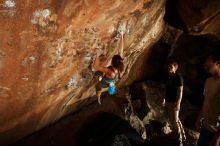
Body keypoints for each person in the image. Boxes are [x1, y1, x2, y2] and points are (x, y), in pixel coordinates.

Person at [196, 49, 220, 146]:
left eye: (208, 61)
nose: (205, 64)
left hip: (216, 132)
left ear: (218, 63)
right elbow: (206, 101)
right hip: (205, 128)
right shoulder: (208, 81)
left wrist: (217, 138)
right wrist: (199, 118)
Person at [92, 32, 125, 105]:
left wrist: (97, 54)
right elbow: (121, 50)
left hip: (104, 81)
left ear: (112, 63)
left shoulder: (110, 72)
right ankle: (100, 97)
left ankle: (98, 99)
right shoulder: (120, 65)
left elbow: (96, 67)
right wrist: (122, 35)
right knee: (103, 82)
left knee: (98, 86)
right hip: (109, 80)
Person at [162, 60, 186, 146]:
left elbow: (180, 91)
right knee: (175, 118)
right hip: (168, 101)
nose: (169, 68)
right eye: (169, 66)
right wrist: (164, 99)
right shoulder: (169, 78)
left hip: (174, 102)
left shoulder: (178, 77)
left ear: (175, 68)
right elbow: (166, 90)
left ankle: (179, 141)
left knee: (174, 120)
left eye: (171, 67)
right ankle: (183, 136)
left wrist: (178, 102)